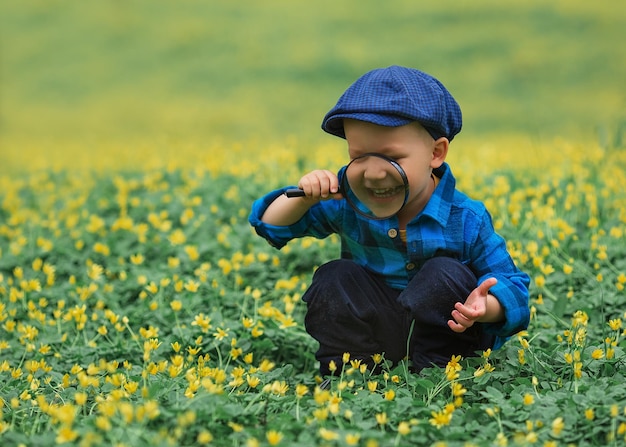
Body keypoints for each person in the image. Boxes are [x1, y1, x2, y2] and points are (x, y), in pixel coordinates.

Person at [249, 65, 530, 376]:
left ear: (436, 153)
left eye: (392, 159)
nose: (373, 173)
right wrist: (305, 196)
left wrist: (484, 308)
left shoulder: (465, 217)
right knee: (335, 276)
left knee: (443, 273)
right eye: (359, 156)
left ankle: (435, 378)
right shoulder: (346, 199)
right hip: (376, 332)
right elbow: (271, 225)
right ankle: (350, 373)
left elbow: (515, 290)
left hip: (450, 337)